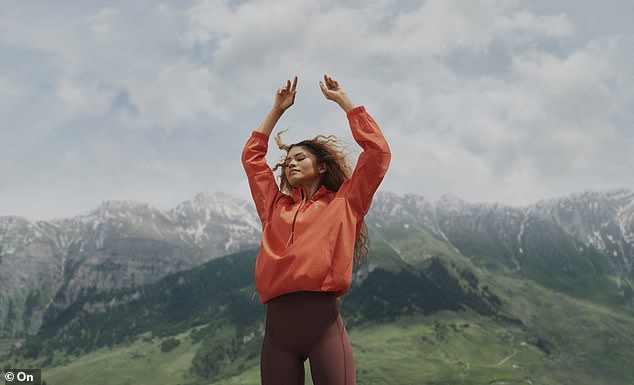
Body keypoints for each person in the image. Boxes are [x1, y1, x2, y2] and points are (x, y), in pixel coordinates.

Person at [241, 74, 391, 385]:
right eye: (287, 161)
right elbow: (252, 158)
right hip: (277, 332)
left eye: (300, 158)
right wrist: (277, 110)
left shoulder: (346, 202)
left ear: (321, 166)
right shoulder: (274, 207)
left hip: (323, 328)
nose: (290, 164)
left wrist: (344, 102)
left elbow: (378, 153)